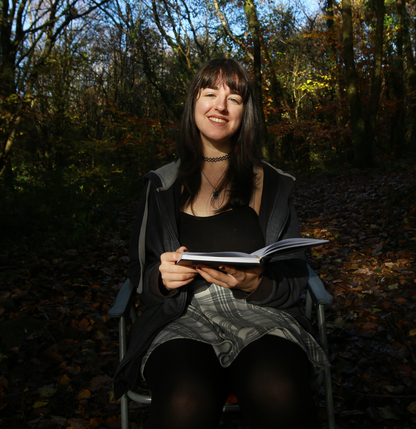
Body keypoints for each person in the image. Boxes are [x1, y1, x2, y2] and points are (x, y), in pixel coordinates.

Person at [113, 58, 329, 429]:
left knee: (275, 387)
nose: (220, 106)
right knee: (184, 396)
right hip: (180, 318)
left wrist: (257, 284)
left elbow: (295, 277)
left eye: (234, 98)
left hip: (265, 317)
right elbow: (140, 274)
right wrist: (160, 280)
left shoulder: (274, 183)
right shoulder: (160, 186)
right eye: (210, 93)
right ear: (193, 103)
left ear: (246, 112)